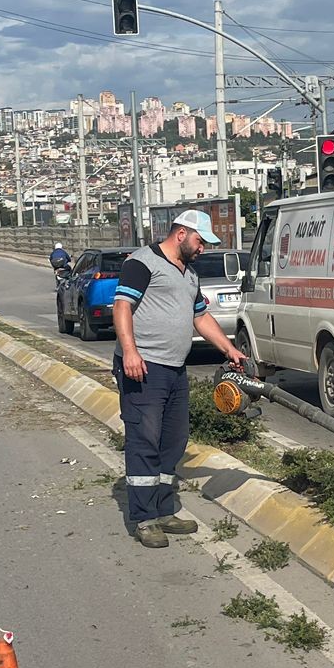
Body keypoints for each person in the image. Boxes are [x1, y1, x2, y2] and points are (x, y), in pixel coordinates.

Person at [112, 210, 248, 547]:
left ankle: (163, 508)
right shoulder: (143, 263)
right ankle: (144, 519)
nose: (203, 248)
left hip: (174, 367)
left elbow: (200, 318)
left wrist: (229, 349)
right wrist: (130, 351)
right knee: (145, 438)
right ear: (182, 234)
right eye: (201, 241)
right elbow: (122, 307)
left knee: (173, 440)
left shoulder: (189, 275)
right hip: (143, 366)